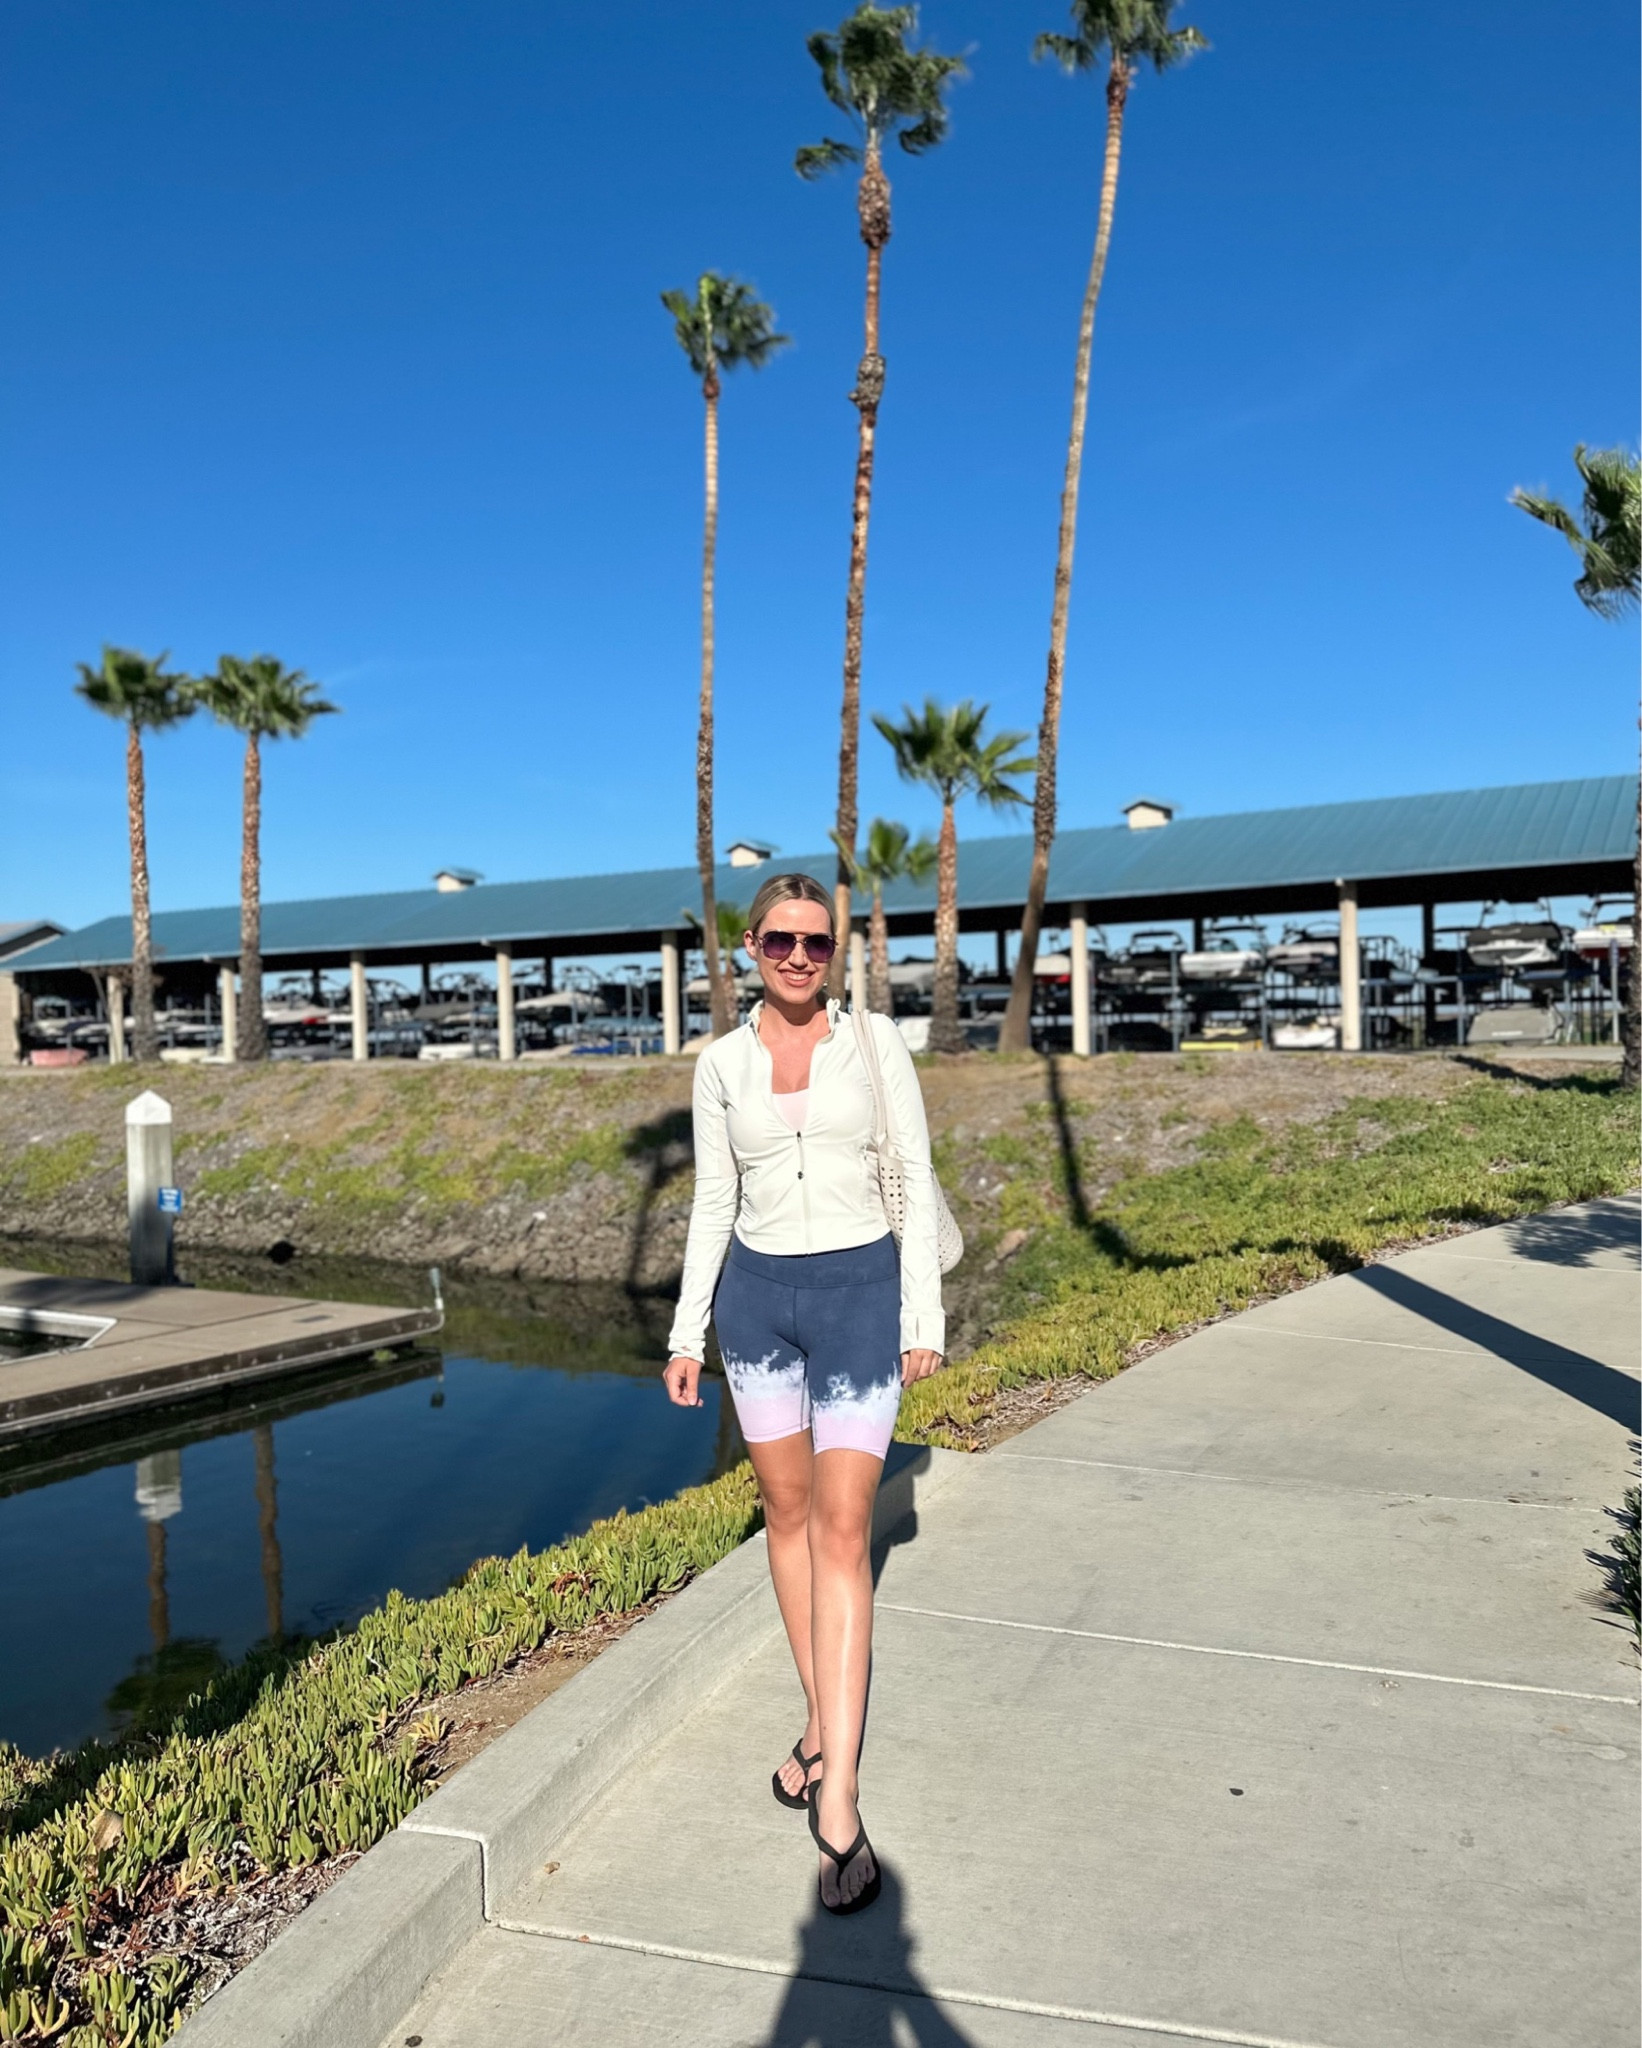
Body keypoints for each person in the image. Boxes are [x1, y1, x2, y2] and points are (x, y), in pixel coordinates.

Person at [663, 872, 945, 1916]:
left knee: (841, 1525)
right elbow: (712, 1197)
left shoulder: (874, 1046)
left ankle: (841, 1803)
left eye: (814, 942)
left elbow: (913, 1180)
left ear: (835, 952)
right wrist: (687, 1329)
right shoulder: (722, 1062)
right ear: (748, 947)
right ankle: (822, 1717)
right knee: (783, 1512)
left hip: (862, 1300)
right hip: (757, 1305)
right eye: (778, 939)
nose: (795, 956)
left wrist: (925, 1318)